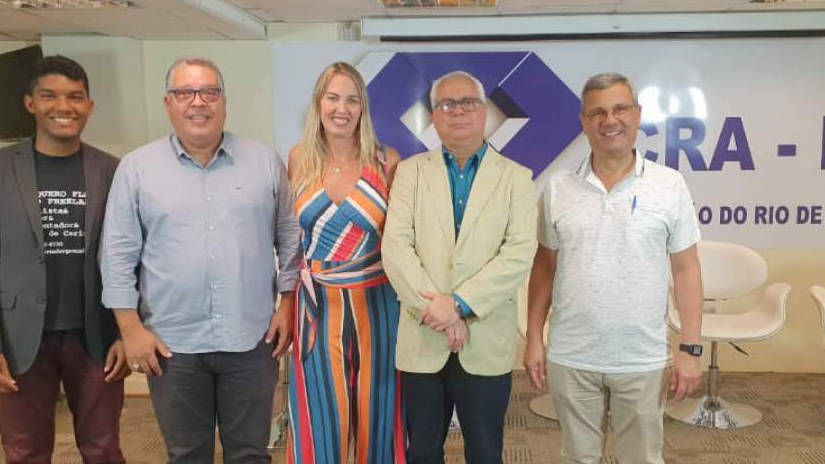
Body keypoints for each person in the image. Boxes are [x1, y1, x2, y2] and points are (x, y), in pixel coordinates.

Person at [99, 56, 301, 463]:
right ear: (168, 102)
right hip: (171, 346)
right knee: (187, 455)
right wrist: (130, 329)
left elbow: (289, 235)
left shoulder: (264, 161)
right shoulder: (136, 169)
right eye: (185, 93)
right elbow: (118, 253)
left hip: (251, 339)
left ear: (223, 101)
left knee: (250, 454)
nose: (198, 102)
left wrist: (287, 303)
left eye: (209, 92)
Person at [523, 72, 704, 464]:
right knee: (577, 457)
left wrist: (690, 348)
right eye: (598, 112)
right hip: (572, 355)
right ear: (584, 122)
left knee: (641, 458)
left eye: (620, 109)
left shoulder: (669, 185)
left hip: (642, 358)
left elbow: (687, 270)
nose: (610, 120)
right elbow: (544, 269)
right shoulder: (558, 188)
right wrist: (534, 337)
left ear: (637, 115)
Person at [0, 54, 128, 464]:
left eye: (75, 96)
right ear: (30, 103)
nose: (63, 106)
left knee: (104, 450)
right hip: (17, 341)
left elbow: (129, 257)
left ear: (89, 105)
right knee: (25, 453)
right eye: (50, 95)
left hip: (96, 336)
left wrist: (127, 332)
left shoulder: (113, 170)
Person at [382, 70, 537, 464]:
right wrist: (436, 309)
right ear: (434, 116)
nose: (458, 111)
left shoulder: (517, 178)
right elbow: (396, 246)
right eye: (447, 104)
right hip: (423, 336)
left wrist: (458, 305)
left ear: (484, 112)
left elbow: (518, 254)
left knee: (485, 452)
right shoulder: (410, 173)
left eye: (468, 102)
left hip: (484, 340)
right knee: (422, 452)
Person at [283, 61, 405, 464]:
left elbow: (401, 241)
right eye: (333, 98)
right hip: (316, 306)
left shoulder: (387, 161)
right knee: (320, 413)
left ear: (363, 108)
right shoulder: (298, 158)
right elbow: (292, 239)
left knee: (378, 411)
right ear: (318, 103)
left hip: (377, 302)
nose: (342, 108)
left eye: (352, 100)